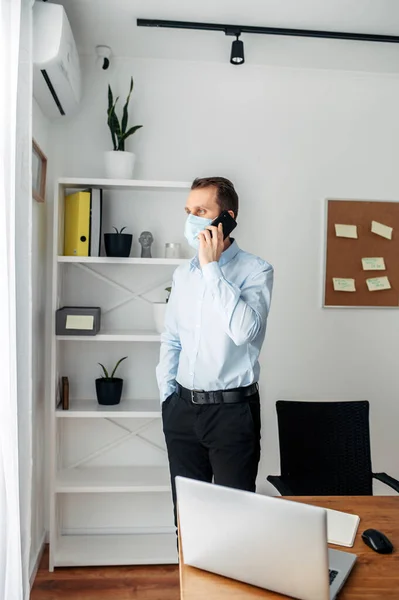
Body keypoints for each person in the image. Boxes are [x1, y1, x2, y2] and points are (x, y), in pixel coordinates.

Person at [156, 176, 274, 527]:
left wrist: (211, 268)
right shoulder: (182, 275)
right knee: (187, 519)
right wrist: (167, 396)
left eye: (202, 211)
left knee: (232, 522)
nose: (192, 219)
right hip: (181, 410)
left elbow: (244, 331)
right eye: (188, 211)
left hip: (231, 414)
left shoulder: (256, 270)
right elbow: (172, 338)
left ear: (227, 218)